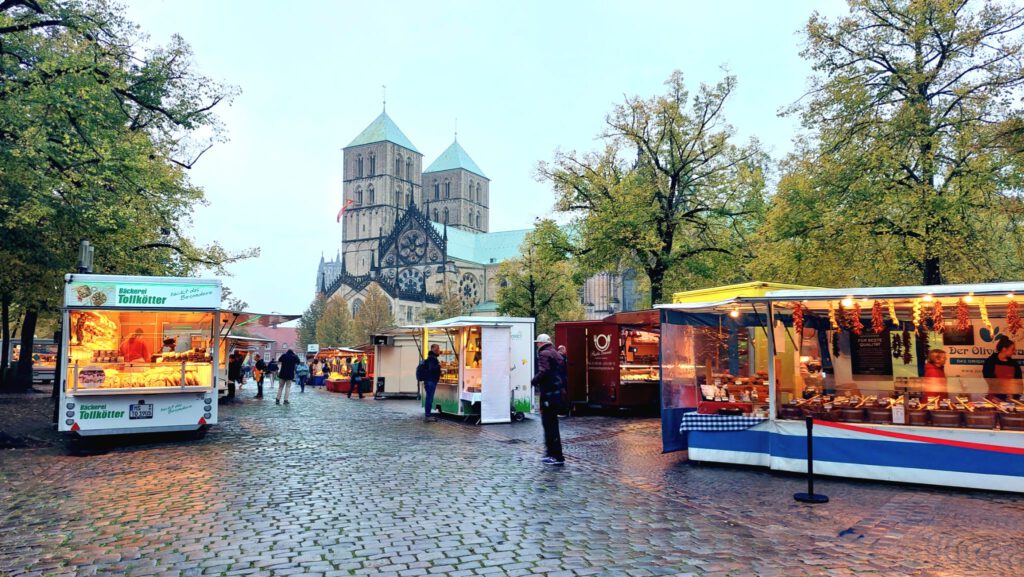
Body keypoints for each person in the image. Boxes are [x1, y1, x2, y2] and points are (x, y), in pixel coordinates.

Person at [532, 334, 566, 465]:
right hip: (557, 393)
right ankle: (555, 454)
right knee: (553, 424)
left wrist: (533, 381)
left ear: (541, 343)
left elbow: (544, 371)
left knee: (549, 425)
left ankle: (554, 455)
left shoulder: (544, 354)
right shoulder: (556, 354)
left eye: (537, 343)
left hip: (549, 394)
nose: (537, 345)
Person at [422, 344, 442, 421]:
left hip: (429, 380)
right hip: (430, 381)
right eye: (437, 349)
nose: (439, 350)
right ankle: (427, 416)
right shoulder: (432, 358)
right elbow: (431, 369)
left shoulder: (431, 358)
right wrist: (439, 366)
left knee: (429, 397)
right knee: (429, 398)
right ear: (433, 349)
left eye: (438, 349)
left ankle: (428, 415)